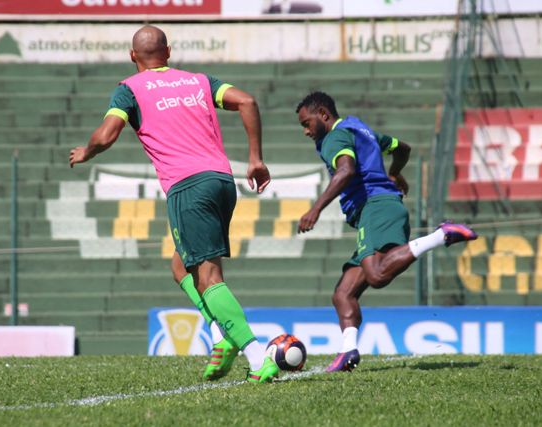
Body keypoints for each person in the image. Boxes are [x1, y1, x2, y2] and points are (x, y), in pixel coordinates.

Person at [69, 25, 279, 383]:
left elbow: (106, 135)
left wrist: (87, 151)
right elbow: (247, 101)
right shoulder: (199, 81)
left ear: (132, 56)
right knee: (182, 266)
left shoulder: (129, 89)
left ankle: (258, 358)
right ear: (168, 52)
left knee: (208, 277)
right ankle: (221, 336)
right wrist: (255, 159)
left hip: (187, 186)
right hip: (221, 181)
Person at [295, 92, 478, 372]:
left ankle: (441, 235)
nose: (306, 131)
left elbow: (345, 170)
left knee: (377, 275)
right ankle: (348, 352)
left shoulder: (334, 137)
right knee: (343, 293)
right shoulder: (359, 128)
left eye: (307, 123)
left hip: (375, 207)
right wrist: (396, 172)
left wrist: (315, 209)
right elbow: (402, 148)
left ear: (323, 114)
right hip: (383, 207)